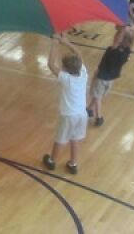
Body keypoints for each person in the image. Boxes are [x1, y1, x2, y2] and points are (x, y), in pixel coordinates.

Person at [43, 33, 87, 175]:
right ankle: (73, 163)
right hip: (82, 114)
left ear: (66, 69)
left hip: (69, 115)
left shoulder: (66, 79)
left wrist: (55, 43)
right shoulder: (83, 73)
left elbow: (50, 64)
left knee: (60, 139)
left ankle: (52, 161)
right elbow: (79, 54)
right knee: (75, 139)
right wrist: (66, 42)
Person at [87, 25, 134, 126]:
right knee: (98, 95)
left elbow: (116, 41)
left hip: (102, 77)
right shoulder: (127, 52)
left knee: (97, 96)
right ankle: (89, 109)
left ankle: (98, 117)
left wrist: (122, 30)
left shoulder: (113, 50)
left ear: (119, 39)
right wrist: (126, 30)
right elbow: (125, 39)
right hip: (112, 78)